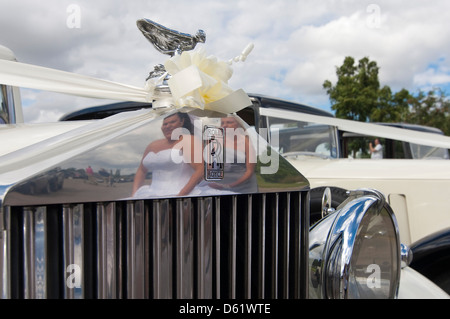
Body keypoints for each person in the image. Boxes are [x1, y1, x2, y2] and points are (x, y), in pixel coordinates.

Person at [132, 112, 203, 197]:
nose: (168, 126)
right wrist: (134, 194)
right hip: (150, 193)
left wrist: (181, 195)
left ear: (182, 122)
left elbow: (201, 170)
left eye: (172, 122)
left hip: (180, 193)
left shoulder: (188, 140)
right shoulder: (153, 145)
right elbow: (141, 170)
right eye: (165, 124)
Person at [201, 115, 257, 193]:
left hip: (244, 186)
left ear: (238, 124)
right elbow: (208, 166)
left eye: (229, 122)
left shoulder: (246, 142)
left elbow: (250, 171)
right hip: (219, 185)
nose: (225, 125)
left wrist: (229, 186)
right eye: (222, 123)